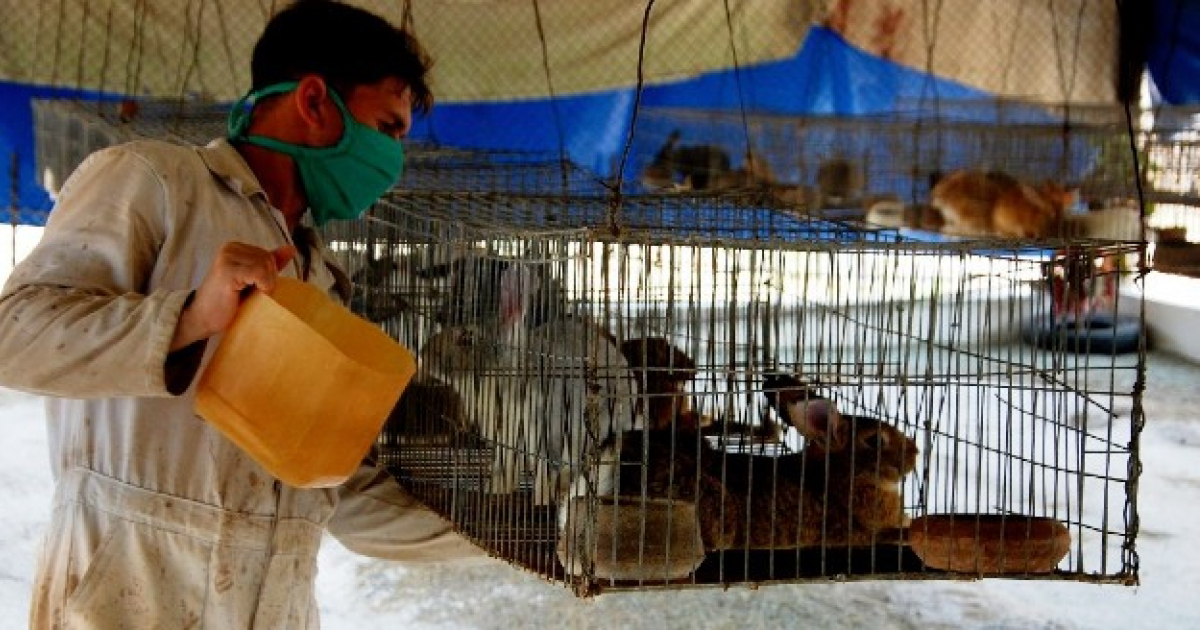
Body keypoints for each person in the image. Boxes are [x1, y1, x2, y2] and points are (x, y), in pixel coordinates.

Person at [0, 1, 488, 626]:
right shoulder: (155, 182)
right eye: (387, 128)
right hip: (122, 594)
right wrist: (189, 318)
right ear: (314, 101)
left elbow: (335, 494)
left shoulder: (319, 278)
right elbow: (16, 334)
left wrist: (534, 539)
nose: (392, 162)